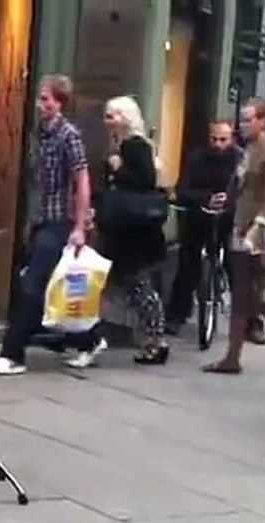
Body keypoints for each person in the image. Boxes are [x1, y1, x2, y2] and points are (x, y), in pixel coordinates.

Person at [0, 74, 92, 376]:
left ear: (60, 103)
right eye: (41, 98)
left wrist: (79, 226)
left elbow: (81, 179)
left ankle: (12, 353)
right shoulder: (41, 134)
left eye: (47, 99)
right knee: (46, 285)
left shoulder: (68, 135)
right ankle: (88, 339)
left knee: (32, 285)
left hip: (60, 221)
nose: (41, 104)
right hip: (42, 219)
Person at [203, 97, 265, 375]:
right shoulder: (251, 149)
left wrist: (258, 231)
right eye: (242, 119)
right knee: (242, 296)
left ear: (263, 121)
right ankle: (232, 357)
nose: (243, 125)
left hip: (257, 234)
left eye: (248, 119)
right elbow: (242, 185)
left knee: (251, 297)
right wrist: (226, 200)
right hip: (240, 225)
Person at [91, 96, 169, 365]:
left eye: (113, 116)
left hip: (136, 232)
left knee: (138, 286)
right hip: (122, 228)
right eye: (107, 115)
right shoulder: (119, 146)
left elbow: (145, 180)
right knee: (125, 285)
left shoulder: (135, 146)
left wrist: (118, 168)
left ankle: (156, 339)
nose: (107, 121)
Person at [168, 120, 255, 337]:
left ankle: (251, 322)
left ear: (232, 138)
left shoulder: (240, 159)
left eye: (223, 139)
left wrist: (229, 201)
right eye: (214, 139)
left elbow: (249, 192)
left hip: (229, 219)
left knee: (236, 268)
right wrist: (207, 199)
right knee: (187, 264)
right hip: (200, 216)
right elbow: (183, 190)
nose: (218, 144)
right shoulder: (197, 158)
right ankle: (177, 314)